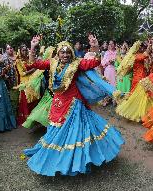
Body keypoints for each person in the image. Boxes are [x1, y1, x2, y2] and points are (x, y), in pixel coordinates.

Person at [23, 35, 124, 176]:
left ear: (71, 53)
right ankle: (59, 159)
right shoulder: (51, 63)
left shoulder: (77, 63)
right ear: (58, 53)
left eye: (68, 52)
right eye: (62, 52)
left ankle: (78, 161)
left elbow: (94, 62)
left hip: (74, 104)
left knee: (76, 133)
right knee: (56, 131)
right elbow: (32, 64)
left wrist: (95, 46)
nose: (65, 55)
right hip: (57, 104)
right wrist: (33, 47)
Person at [115, 41, 153, 122]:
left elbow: (147, 55)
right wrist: (149, 45)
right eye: (142, 47)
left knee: (143, 97)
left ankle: (143, 114)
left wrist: (149, 46)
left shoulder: (136, 55)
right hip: (139, 79)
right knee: (140, 97)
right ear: (139, 48)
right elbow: (146, 54)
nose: (143, 48)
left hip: (141, 77)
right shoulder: (136, 56)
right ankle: (138, 114)